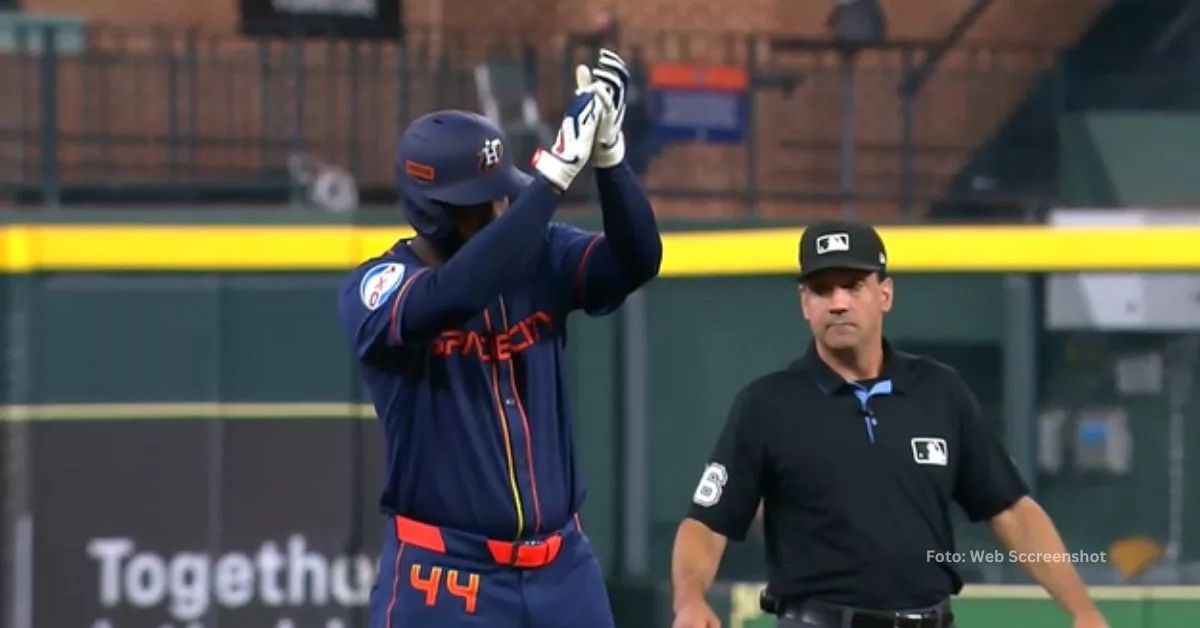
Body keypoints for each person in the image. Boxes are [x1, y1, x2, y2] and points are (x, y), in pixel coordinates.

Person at [336, 49, 662, 628]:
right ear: (432, 210)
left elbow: (637, 260)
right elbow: (458, 292)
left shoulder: (540, 254)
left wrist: (609, 161)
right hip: (445, 577)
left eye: (501, 192)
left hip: (563, 569)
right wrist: (556, 172)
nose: (498, 205)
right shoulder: (376, 286)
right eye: (476, 202)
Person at [669, 220, 1109, 628]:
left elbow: (1011, 511)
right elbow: (707, 524)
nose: (838, 302)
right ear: (805, 303)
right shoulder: (768, 404)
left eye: (854, 285)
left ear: (885, 295)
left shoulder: (940, 392)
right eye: (822, 289)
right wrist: (689, 598)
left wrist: (1082, 609)